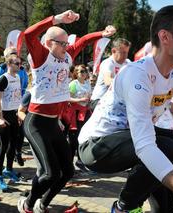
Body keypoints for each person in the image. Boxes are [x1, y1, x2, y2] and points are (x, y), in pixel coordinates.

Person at [78, 5, 173, 213]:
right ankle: (123, 208)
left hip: (132, 140)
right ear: (165, 37)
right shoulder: (137, 75)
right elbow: (145, 145)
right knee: (166, 147)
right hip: (96, 146)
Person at [17, 10, 116, 213]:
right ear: (49, 43)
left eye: (66, 43)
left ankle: (41, 203)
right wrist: (57, 19)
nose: (66, 46)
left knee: (68, 171)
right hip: (35, 123)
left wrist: (103, 34)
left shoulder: (67, 55)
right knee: (49, 174)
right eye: (61, 43)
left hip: (53, 124)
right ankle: (26, 203)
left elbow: (85, 40)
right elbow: (28, 35)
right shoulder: (41, 55)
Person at [0, 53, 22, 191]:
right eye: (16, 63)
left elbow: (18, 96)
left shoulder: (17, 77)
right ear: (9, 64)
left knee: (13, 144)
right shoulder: (3, 79)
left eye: (19, 63)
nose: (19, 65)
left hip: (15, 114)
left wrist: (20, 114)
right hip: (5, 115)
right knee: (3, 146)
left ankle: (8, 169)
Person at [90, 38, 131, 111]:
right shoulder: (108, 63)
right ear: (113, 51)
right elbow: (108, 81)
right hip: (99, 99)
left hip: (114, 100)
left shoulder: (128, 63)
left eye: (127, 52)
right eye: (123, 52)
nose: (126, 56)